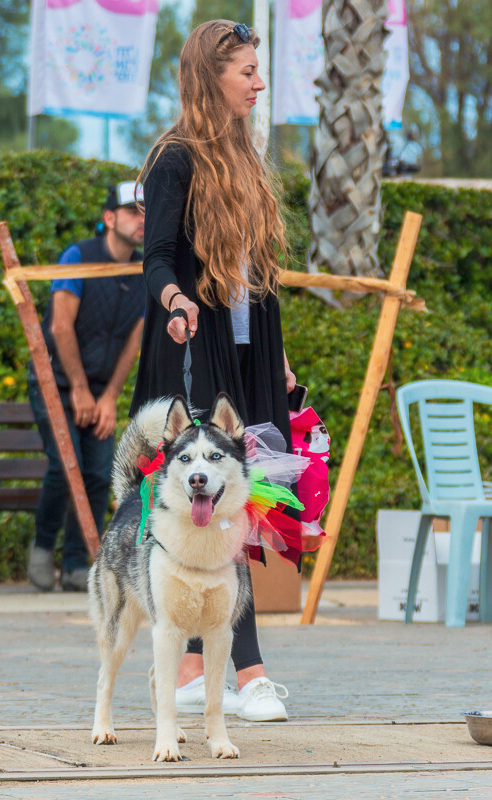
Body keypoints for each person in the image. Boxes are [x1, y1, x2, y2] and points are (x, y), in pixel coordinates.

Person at [133, 19, 298, 723]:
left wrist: (280, 358)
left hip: (248, 349)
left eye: (259, 70)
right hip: (192, 347)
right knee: (202, 513)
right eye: (246, 72)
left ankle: (214, 668)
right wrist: (175, 301)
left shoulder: (245, 159)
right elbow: (159, 257)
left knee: (245, 507)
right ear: (211, 77)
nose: (259, 82)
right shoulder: (175, 158)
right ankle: (239, 669)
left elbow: (254, 274)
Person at [26, 182, 146, 592]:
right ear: (109, 218)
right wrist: (78, 388)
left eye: (148, 211)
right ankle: (43, 548)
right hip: (56, 381)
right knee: (65, 465)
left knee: (97, 473)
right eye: (133, 210)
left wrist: (110, 397)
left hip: (100, 387)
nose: (142, 219)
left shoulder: (146, 269)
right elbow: (60, 326)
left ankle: (78, 563)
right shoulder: (78, 256)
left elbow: (136, 340)